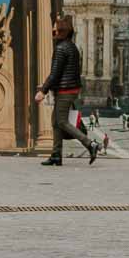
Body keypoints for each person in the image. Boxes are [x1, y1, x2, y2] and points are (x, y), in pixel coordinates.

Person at [35, 16, 97, 167]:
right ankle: (56, 155)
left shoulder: (61, 48)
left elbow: (55, 73)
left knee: (61, 121)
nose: (52, 30)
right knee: (56, 122)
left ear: (60, 31)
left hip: (65, 90)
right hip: (71, 89)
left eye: (55, 27)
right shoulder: (72, 47)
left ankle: (90, 144)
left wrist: (43, 91)